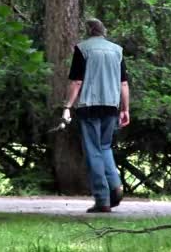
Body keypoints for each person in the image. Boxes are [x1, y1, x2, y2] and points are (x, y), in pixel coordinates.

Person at [62, 18, 130, 213]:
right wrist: (125, 109)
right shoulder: (117, 50)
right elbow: (123, 84)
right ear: (103, 31)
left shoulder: (82, 49)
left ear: (88, 30)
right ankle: (115, 186)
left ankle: (102, 199)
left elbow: (76, 82)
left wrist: (67, 106)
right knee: (105, 146)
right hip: (111, 106)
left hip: (89, 106)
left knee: (93, 150)